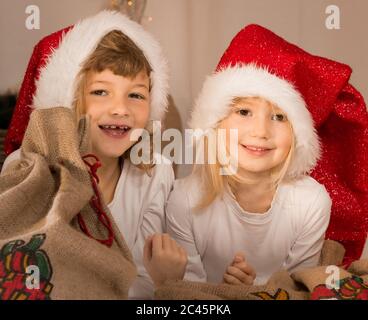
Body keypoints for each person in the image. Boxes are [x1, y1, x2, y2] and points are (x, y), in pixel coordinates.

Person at [2, 10, 187, 299]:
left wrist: (166, 280)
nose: (120, 108)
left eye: (136, 95)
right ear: (69, 100)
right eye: (101, 92)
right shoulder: (26, 169)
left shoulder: (154, 173)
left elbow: (146, 279)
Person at [165, 23, 355, 286]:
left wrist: (255, 290)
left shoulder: (310, 203)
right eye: (244, 112)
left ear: (297, 135)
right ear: (216, 123)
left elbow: (299, 287)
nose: (261, 131)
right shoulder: (184, 200)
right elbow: (186, 292)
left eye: (279, 117)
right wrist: (229, 291)